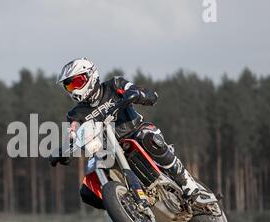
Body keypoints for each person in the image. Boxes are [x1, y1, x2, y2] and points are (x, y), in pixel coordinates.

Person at [49, 57, 199, 210]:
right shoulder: (75, 114)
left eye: (77, 82)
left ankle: (186, 181)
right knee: (88, 192)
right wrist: (64, 151)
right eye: (69, 86)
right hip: (108, 150)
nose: (74, 89)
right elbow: (74, 133)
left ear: (91, 75)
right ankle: (125, 212)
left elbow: (135, 90)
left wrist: (140, 95)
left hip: (135, 131)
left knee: (149, 138)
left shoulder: (114, 85)